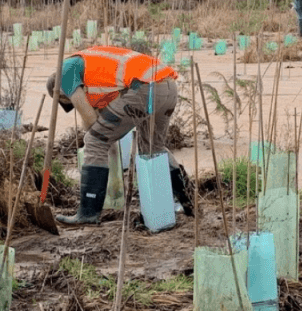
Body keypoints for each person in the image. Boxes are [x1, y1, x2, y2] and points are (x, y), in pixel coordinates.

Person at [48, 45, 194, 226]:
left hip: (144, 88)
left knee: (94, 141)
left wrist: (99, 139)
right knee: (152, 149)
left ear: (60, 91)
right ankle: (189, 200)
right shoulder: (94, 71)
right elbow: (106, 114)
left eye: (67, 100)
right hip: (167, 86)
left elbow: (90, 118)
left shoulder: (65, 73)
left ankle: (88, 213)